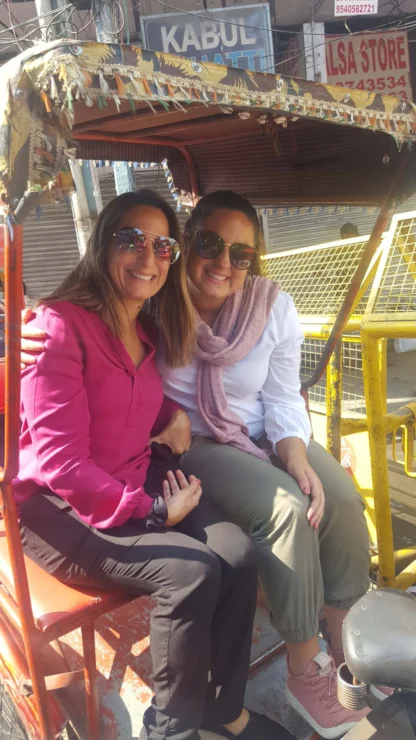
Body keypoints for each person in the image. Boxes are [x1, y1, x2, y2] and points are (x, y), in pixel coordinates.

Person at [20, 191, 373, 739]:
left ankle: (270, 683)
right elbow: (61, 452)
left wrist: (175, 414)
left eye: (159, 246)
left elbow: (138, 389)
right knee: (237, 541)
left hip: (188, 457)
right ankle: (216, 710)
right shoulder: (111, 313)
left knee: (284, 528)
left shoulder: (154, 323)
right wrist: (154, 508)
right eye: (207, 244)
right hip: (104, 489)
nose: (148, 258)